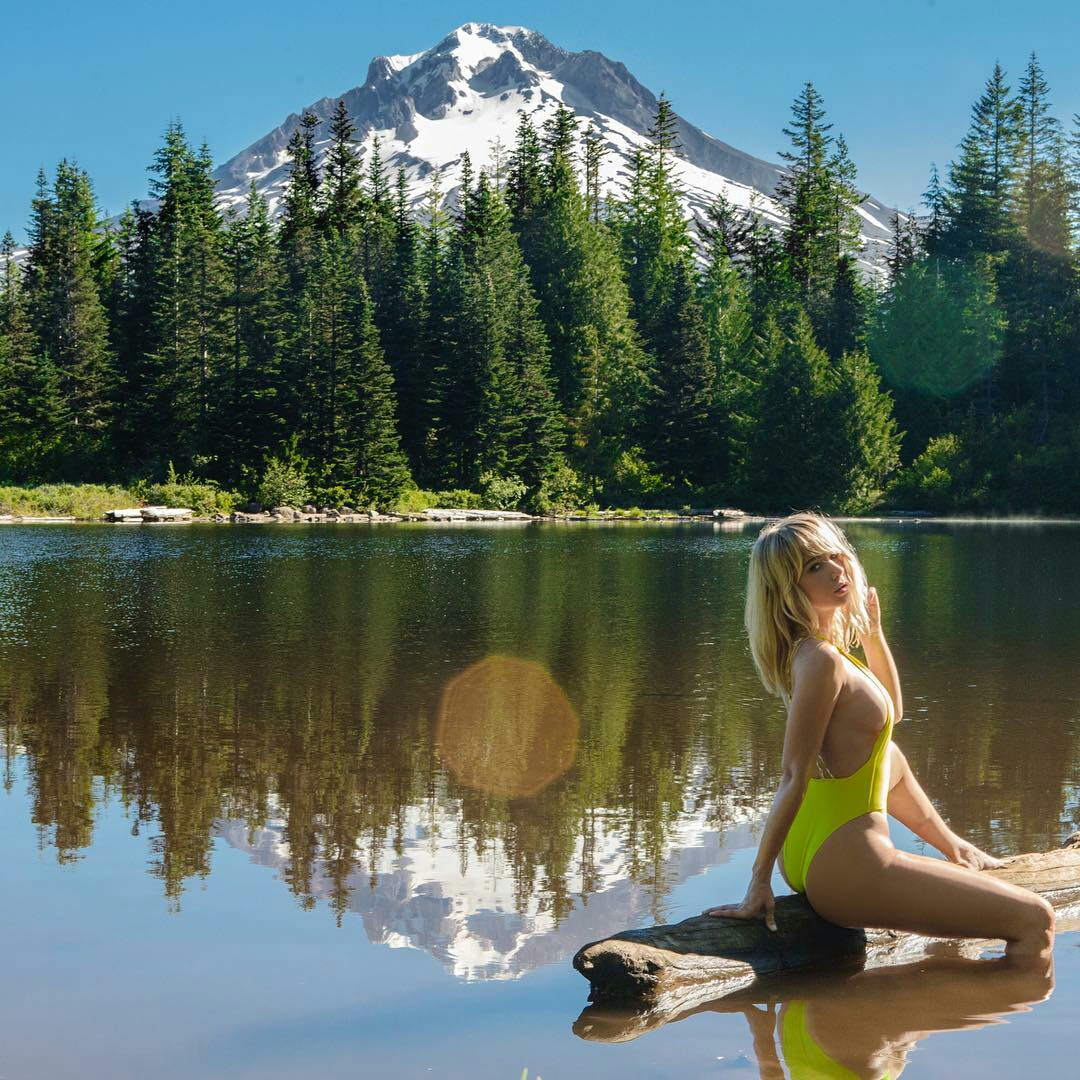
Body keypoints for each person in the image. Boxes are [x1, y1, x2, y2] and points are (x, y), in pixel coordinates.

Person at [704, 512, 1054, 966]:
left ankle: (956, 852)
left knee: (887, 752)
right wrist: (757, 882)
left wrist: (872, 634)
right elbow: (794, 774)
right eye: (814, 567)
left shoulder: (825, 653)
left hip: (825, 849)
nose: (837, 570)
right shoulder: (821, 662)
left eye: (835, 556)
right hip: (848, 865)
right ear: (786, 590)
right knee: (1036, 921)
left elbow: (893, 713)